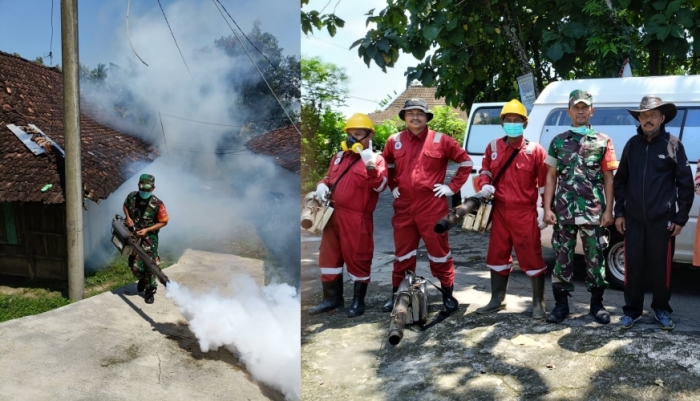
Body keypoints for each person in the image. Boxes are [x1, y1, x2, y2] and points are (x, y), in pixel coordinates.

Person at [381, 98, 473, 314]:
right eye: (410, 113)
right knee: (403, 254)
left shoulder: (441, 140)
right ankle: (398, 297)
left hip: (432, 206)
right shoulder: (393, 140)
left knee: (439, 253)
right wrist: (393, 184)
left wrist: (452, 187)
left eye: (420, 113)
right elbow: (385, 164)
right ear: (404, 117)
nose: (415, 117)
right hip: (403, 207)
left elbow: (466, 162)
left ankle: (447, 296)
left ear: (427, 117)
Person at [614, 96, 694, 331]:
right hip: (634, 220)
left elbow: (685, 184)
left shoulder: (673, 144)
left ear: (662, 118)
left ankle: (661, 309)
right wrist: (620, 213)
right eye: (644, 115)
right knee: (633, 268)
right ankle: (632, 311)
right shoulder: (631, 145)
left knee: (662, 270)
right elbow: (620, 182)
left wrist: (680, 218)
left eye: (653, 115)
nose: (648, 119)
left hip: (663, 221)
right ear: (639, 118)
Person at [543, 90, 617, 325]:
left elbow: (609, 177)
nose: (581, 111)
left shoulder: (603, 141)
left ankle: (597, 305)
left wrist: (609, 210)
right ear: (569, 111)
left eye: (585, 107)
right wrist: (547, 208)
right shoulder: (558, 141)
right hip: (564, 212)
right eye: (577, 107)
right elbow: (551, 176)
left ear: (592, 110)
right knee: (562, 259)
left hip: (593, 211)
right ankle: (561, 306)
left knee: (595, 260)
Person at [474, 99, 549, 319]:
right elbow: (485, 170)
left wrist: (545, 209)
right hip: (499, 211)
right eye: (509, 120)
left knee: (532, 256)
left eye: (518, 121)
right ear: (502, 123)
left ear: (525, 124)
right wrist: (485, 183)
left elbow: (545, 182)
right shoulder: (493, 147)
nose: (513, 124)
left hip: (524, 212)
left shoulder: (535, 150)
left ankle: (538, 304)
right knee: (497, 255)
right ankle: (497, 300)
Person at [308, 113, 388, 318]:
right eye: (350, 133)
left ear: (369, 135)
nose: (352, 138)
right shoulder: (339, 157)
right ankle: (331, 299)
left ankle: (358, 302)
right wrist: (321, 186)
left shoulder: (377, 159)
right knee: (329, 256)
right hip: (332, 215)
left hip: (357, 218)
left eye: (358, 134)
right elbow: (327, 177)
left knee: (358, 257)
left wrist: (370, 165)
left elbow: (380, 186)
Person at [123, 174, 169, 304]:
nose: (145, 192)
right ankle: (143, 279)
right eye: (143, 189)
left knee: (150, 265)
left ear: (153, 188)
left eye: (148, 190)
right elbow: (125, 206)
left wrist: (148, 230)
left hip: (149, 240)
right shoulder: (132, 196)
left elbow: (164, 221)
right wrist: (128, 217)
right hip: (133, 237)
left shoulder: (157, 204)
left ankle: (150, 291)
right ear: (139, 186)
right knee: (134, 266)